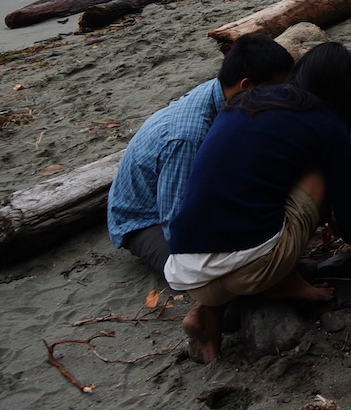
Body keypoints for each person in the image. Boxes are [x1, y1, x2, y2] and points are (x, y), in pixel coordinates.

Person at [166, 42, 351, 363]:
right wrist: (339, 208)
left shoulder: (244, 103)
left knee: (252, 195)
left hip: (185, 271)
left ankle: (209, 311)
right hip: (255, 271)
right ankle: (281, 280)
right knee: (317, 172)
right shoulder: (328, 124)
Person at [106, 34, 293, 282]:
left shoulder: (226, 95)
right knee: (215, 274)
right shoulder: (188, 137)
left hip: (190, 193)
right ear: (246, 86)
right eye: (276, 91)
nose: (280, 99)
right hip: (146, 221)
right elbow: (175, 222)